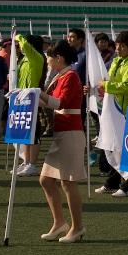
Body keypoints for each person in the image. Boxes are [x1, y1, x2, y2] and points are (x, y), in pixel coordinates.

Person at [38, 41, 87, 243]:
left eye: (49, 58)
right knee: (46, 180)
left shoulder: (70, 76)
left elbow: (60, 103)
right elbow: (52, 103)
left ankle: (77, 226)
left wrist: (38, 94)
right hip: (63, 132)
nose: (48, 62)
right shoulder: (61, 77)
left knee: (68, 183)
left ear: (58, 57)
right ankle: (60, 222)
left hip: (71, 133)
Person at [95, 30, 128, 196]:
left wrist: (106, 86)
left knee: (126, 149)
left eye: (122, 46)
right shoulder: (116, 61)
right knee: (114, 146)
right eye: (117, 45)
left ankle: (127, 186)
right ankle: (112, 182)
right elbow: (108, 81)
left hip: (125, 112)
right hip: (113, 111)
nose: (118, 49)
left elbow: (127, 86)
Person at [13, 33, 44, 175]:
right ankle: (26, 161)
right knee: (25, 132)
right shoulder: (24, 59)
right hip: (22, 99)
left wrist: (17, 35)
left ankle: (32, 164)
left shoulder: (36, 57)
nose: (19, 46)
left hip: (33, 100)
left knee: (34, 133)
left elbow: (24, 44)